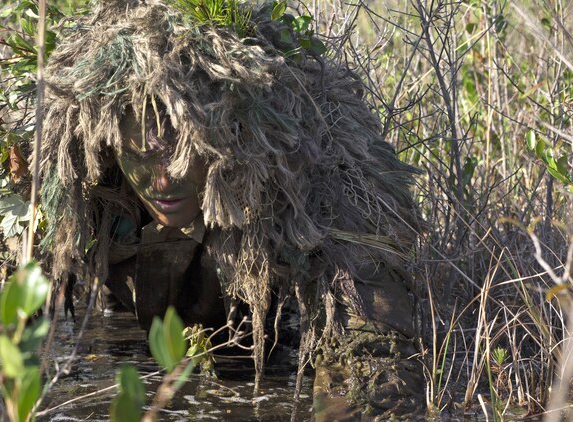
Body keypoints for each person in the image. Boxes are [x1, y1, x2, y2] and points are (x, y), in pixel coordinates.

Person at [39, 0, 425, 418]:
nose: (164, 180)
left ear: (233, 138)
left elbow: (371, 356)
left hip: (262, 346)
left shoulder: (318, 187)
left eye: (184, 153)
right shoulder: (79, 179)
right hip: (144, 351)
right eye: (142, 156)